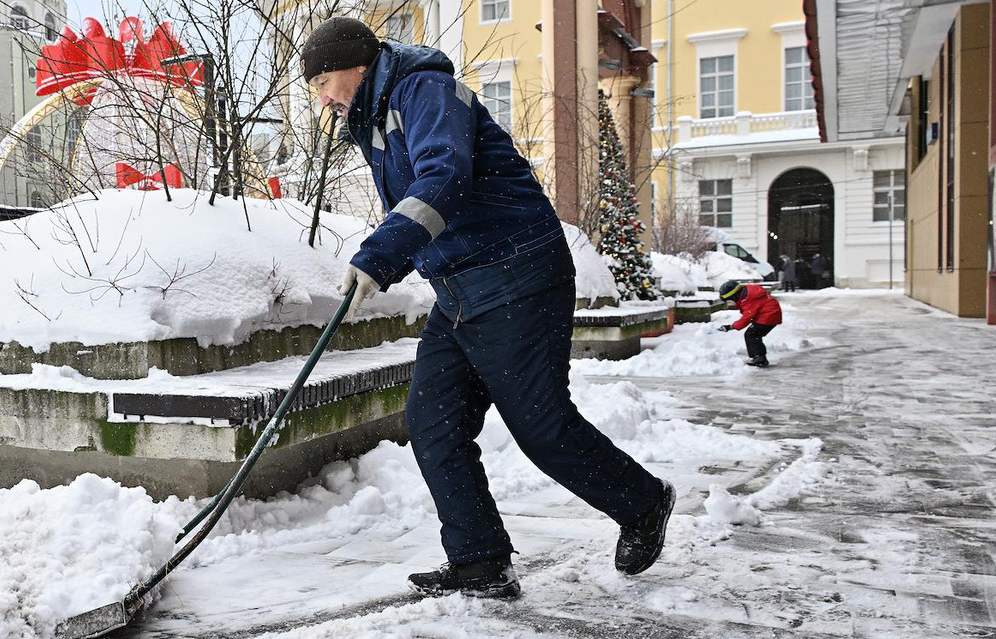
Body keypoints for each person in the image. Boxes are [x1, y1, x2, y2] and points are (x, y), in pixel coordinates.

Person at [301, 17, 675, 598]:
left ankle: (643, 502)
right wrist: (391, 256)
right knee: (435, 425)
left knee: (541, 427)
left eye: (325, 80)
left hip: (516, 274)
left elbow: (444, 177)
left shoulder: (424, 90)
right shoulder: (379, 117)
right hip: (459, 290)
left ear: (358, 64)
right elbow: (424, 203)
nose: (323, 96)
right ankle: (479, 559)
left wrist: (380, 254)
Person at [716, 280, 783, 367]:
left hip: (768, 316)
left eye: (729, 301)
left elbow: (745, 319)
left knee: (751, 334)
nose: (729, 304)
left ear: (734, 296)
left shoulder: (748, 300)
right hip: (770, 315)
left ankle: (759, 358)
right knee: (755, 334)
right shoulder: (748, 296)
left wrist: (731, 327)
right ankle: (760, 357)